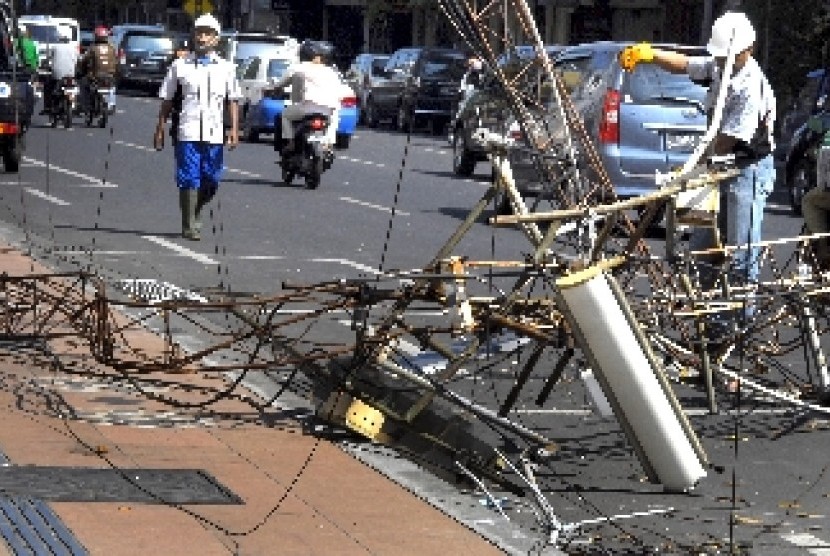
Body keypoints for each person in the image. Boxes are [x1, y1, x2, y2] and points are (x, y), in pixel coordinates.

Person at [620, 12, 776, 293]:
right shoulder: (720, 64)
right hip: (720, 166)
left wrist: (694, 169)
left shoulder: (750, 86)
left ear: (749, 50)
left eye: (729, 57)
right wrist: (650, 54)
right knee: (702, 250)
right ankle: (707, 321)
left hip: (747, 169)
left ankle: (737, 325)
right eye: (719, 57)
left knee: (740, 252)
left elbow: (728, 139)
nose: (722, 61)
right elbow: (687, 65)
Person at [153, 14, 240, 242]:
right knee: (189, 177)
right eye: (199, 32)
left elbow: (233, 100)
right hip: (187, 130)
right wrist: (160, 129)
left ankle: (194, 210)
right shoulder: (180, 66)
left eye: (208, 33)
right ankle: (189, 224)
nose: (202, 37)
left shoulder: (226, 68)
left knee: (211, 178)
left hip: (215, 131)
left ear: (216, 38)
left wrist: (233, 130)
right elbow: (167, 100)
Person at [271, 39, 341, 154]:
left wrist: (272, 89)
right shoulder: (332, 71)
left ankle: (290, 142)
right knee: (335, 117)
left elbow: (280, 84)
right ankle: (328, 143)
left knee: (284, 116)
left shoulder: (298, 67)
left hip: (306, 107)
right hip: (329, 109)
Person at [77, 26, 116, 115]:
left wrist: (80, 71)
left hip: (95, 77)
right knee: (112, 87)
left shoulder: (92, 48)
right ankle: (112, 104)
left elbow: (83, 61)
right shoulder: (112, 48)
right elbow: (117, 63)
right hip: (109, 76)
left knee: (83, 84)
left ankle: (85, 106)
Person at [42, 26, 80, 115]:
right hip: (71, 75)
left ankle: (47, 107)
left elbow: (48, 59)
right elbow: (78, 60)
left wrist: (44, 65)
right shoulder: (74, 48)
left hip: (57, 75)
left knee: (48, 86)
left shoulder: (55, 47)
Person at [169, 37, 191, 146]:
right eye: (181, 50)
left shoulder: (193, 67)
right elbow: (167, 95)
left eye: (186, 50)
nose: (183, 53)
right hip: (178, 113)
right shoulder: (175, 67)